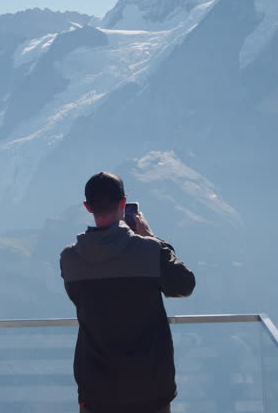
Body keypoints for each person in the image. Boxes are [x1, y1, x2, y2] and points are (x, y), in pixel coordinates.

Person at [59, 171, 196, 413]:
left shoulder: (70, 258)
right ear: (123, 203)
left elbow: (78, 299)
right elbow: (184, 286)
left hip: (96, 389)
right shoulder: (150, 251)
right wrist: (151, 238)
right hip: (150, 388)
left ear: (88, 206)